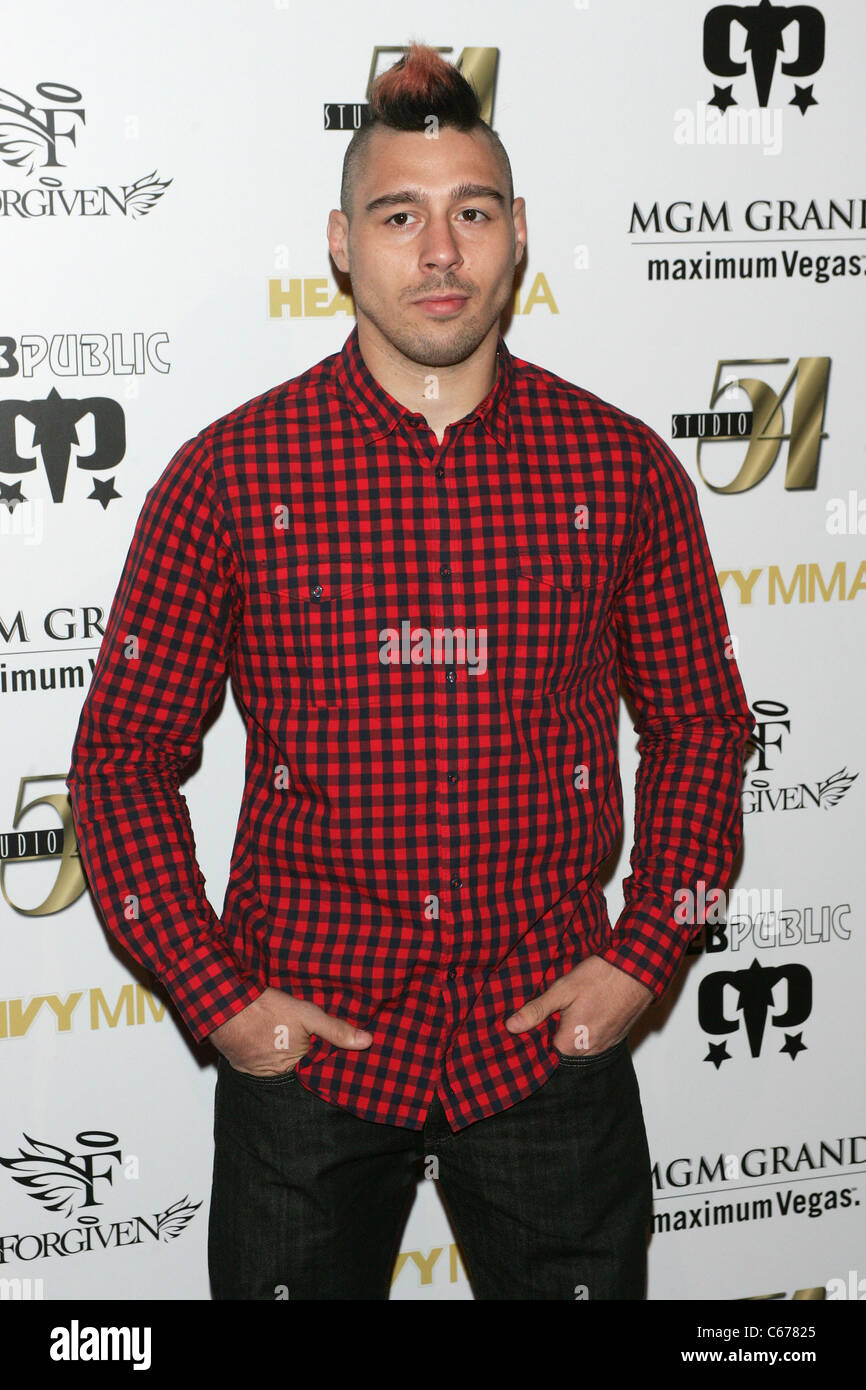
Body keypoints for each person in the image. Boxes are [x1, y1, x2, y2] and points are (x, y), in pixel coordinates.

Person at [66, 43, 755, 1301]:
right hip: (307, 1065)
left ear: (516, 234)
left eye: (470, 213)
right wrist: (218, 998)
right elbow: (118, 763)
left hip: (547, 1047)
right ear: (342, 242)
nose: (439, 252)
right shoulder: (230, 476)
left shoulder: (622, 471)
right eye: (400, 216)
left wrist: (647, 954)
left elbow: (705, 727)